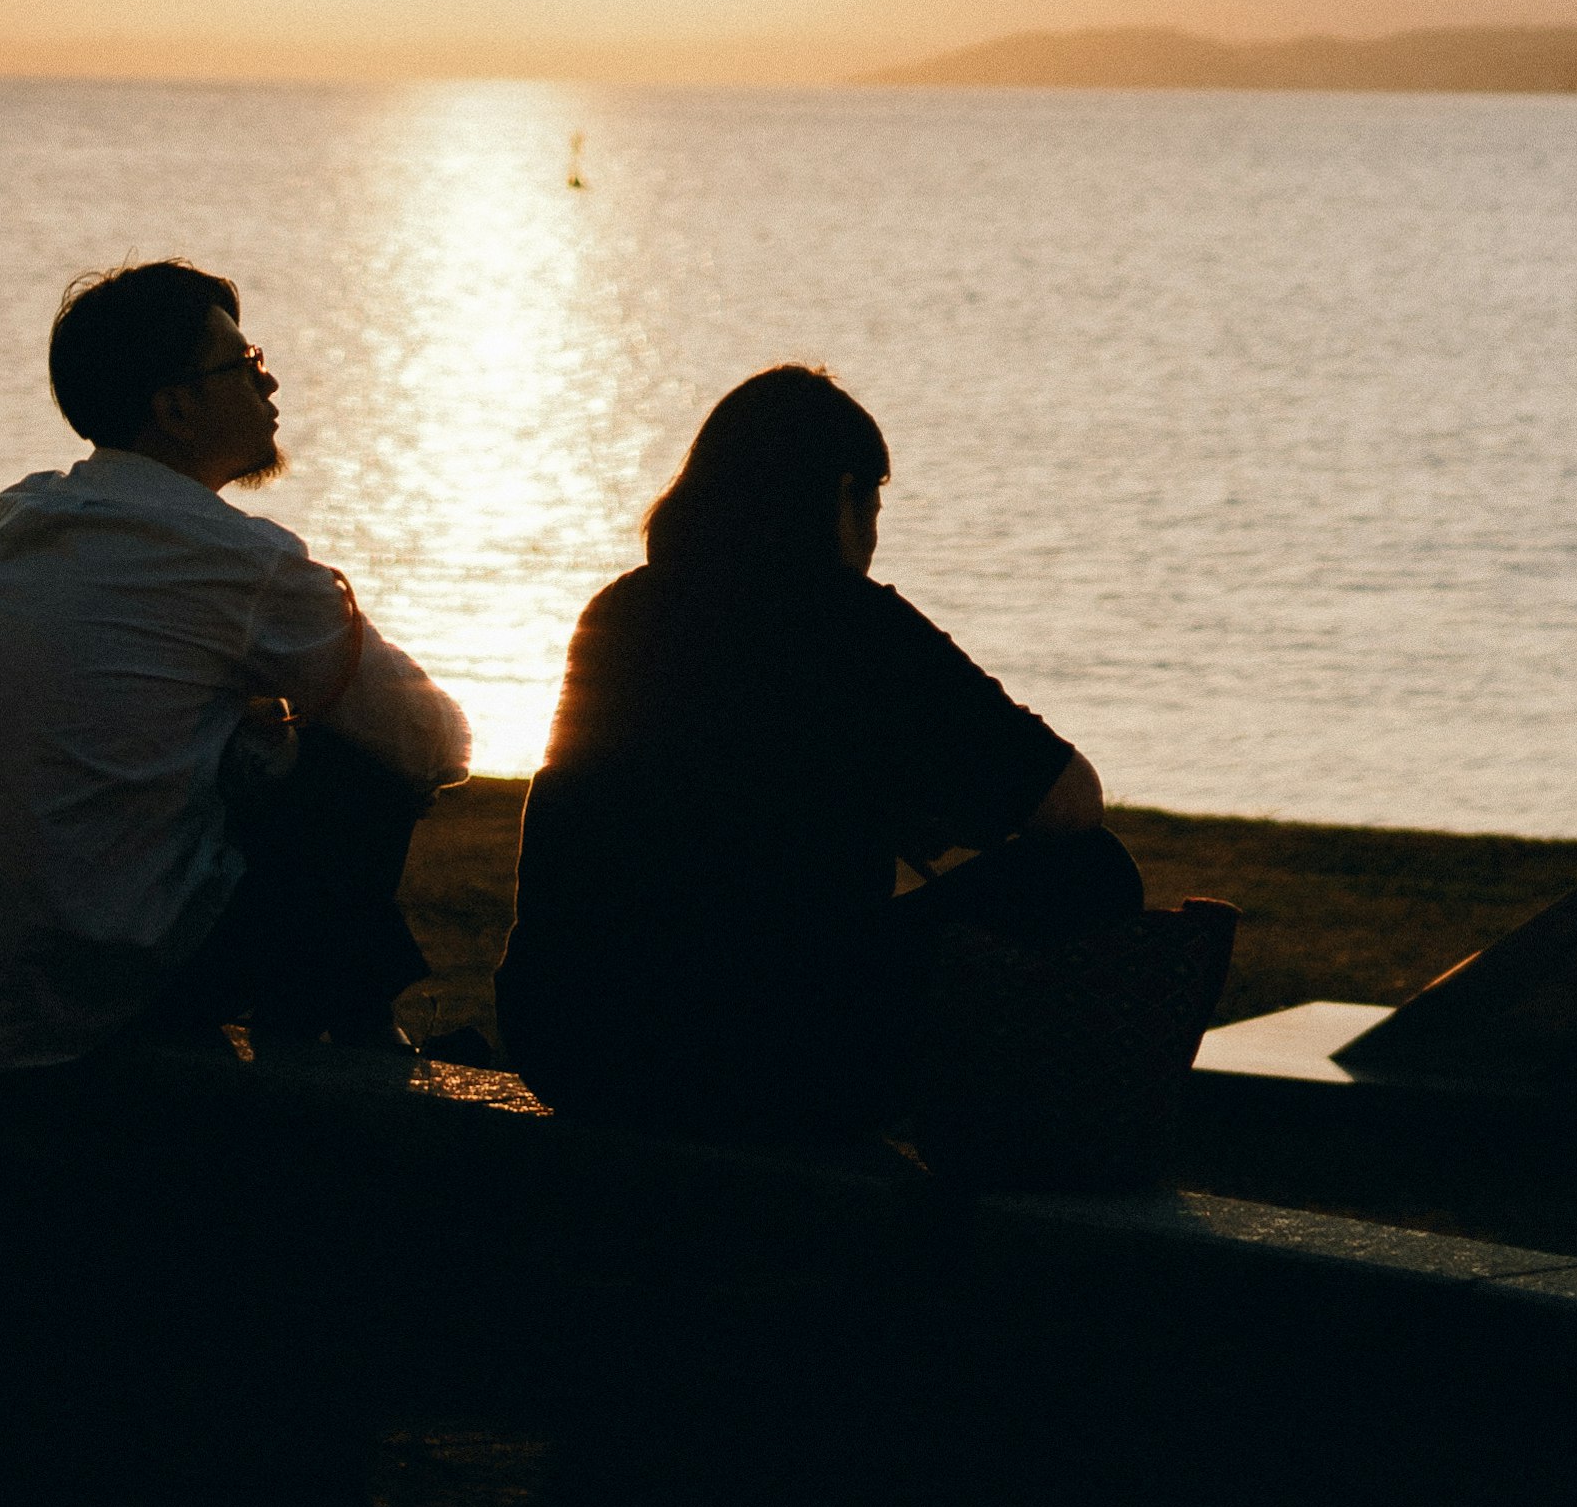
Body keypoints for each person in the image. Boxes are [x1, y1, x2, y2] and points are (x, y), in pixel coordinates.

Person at [500, 363, 1211, 1162]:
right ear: (842, 496)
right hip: (763, 1060)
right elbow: (1072, 800)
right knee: (1091, 870)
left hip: (567, 1039)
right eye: (873, 501)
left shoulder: (621, 608)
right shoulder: (856, 624)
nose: (874, 532)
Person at [0, 255, 471, 1075]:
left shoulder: (17, 517)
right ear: (174, 408)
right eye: (245, 368)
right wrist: (294, 733)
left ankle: (350, 1029)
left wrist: (250, 736)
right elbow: (433, 746)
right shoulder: (241, 560)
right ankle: (329, 1040)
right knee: (362, 763)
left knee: (270, 750)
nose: (270, 388)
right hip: (107, 989)